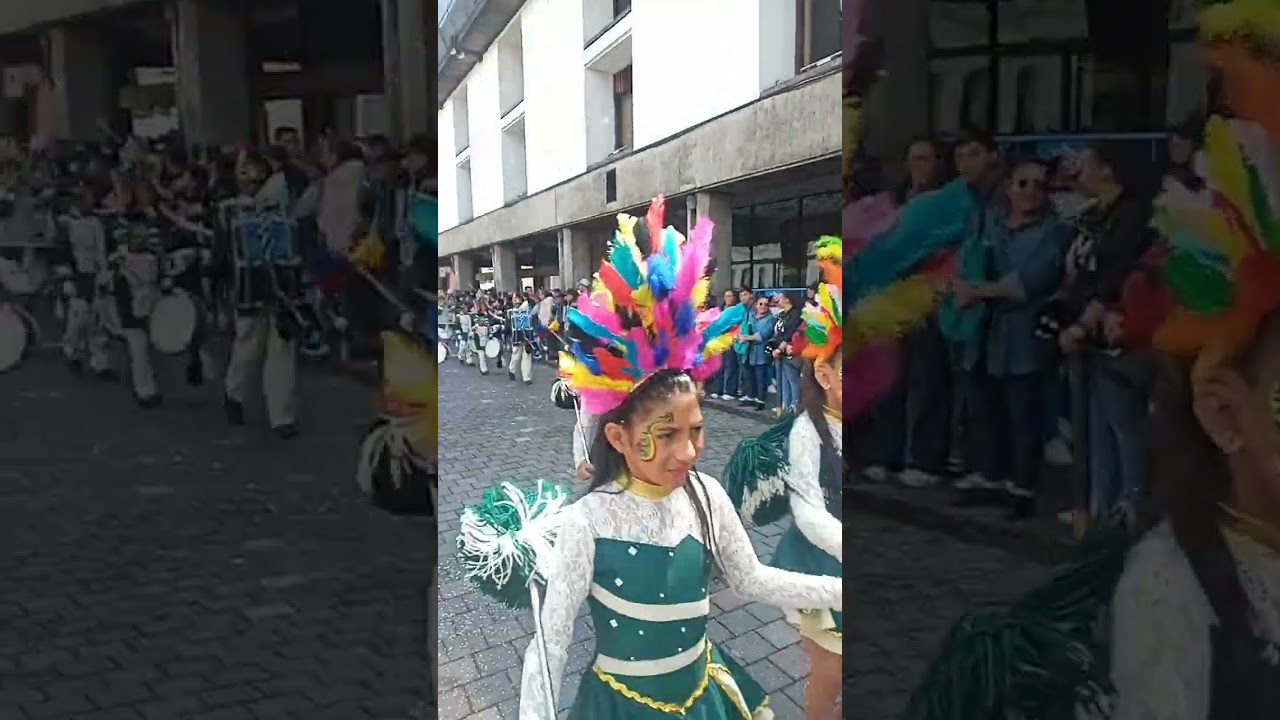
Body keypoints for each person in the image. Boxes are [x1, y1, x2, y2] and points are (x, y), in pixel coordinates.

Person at [473, 198, 842, 719]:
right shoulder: (588, 521)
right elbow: (551, 642)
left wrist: (841, 590)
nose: (687, 452)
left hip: (703, 697)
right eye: (666, 435)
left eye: (697, 431)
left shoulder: (706, 495)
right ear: (619, 437)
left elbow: (751, 578)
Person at [725, 236, 843, 720]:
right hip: (818, 562)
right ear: (825, 374)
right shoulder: (807, 431)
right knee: (831, 673)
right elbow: (808, 512)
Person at [950, 158, 1070, 519]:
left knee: (1023, 413)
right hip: (984, 332)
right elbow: (966, 262)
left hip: (1023, 333)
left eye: (1039, 184)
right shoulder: (991, 224)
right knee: (985, 409)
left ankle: (1022, 487)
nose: (1030, 191)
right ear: (1008, 187)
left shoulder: (1055, 232)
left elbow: (1033, 280)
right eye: (1022, 183)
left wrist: (977, 292)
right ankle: (989, 477)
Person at [221, 155, 301, 438]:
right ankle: (234, 393)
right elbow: (223, 251)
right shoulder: (229, 211)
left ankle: (282, 416)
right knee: (248, 346)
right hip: (248, 286)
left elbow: (297, 244)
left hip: (283, 283)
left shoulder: (286, 210)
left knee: (282, 348)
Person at [53, 184, 114, 379]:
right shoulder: (65, 223)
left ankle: (100, 363)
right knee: (78, 317)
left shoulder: (96, 223)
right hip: (77, 274)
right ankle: (72, 351)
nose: (90, 202)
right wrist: (66, 276)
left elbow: (101, 251)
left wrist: (105, 272)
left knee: (98, 319)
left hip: (94, 275)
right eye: (86, 198)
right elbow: (61, 250)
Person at [768, 291, 804, 416]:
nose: (779, 300)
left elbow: (790, 332)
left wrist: (780, 347)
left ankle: (794, 407)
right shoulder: (783, 314)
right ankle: (785, 407)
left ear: (788, 300)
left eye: (781, 298)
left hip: (791, 352)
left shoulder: (795, 314)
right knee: (783, 381)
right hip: (780, 352)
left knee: (792, 381)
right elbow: (779, 332)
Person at [507, 291, 536, 384]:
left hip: (528, 335)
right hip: (516, 336)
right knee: (516, 355)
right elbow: (508, 325)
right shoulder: (510, 312)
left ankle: (526, 377)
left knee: (527, 356)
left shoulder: (528, 311)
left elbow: (532, 322)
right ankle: (512, 370)